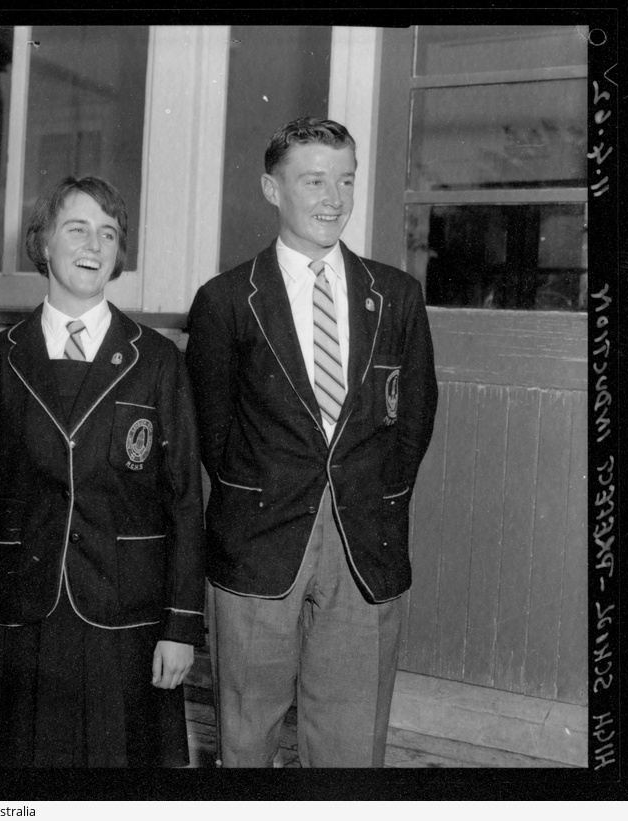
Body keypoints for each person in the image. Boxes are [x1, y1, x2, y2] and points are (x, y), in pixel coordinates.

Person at [185, 116, 438, 767]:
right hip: (259, 542)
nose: (334, 198)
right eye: (314, 181)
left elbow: (413, 418)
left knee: (352, 742)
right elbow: (213, 434)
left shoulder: (398, 296)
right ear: (273, 189)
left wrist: (373, 494)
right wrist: (262, 492)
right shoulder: (224, 301)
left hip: (364, 544)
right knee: (246, 730)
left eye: (346, 180)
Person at [0, 176, 205, 767]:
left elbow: (185, 499)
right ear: (43, 243)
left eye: (108, 233)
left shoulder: (156, 361)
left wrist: (180, 627)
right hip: (20, 614)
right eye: (77, 228)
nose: (94, 244)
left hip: (124, 612)